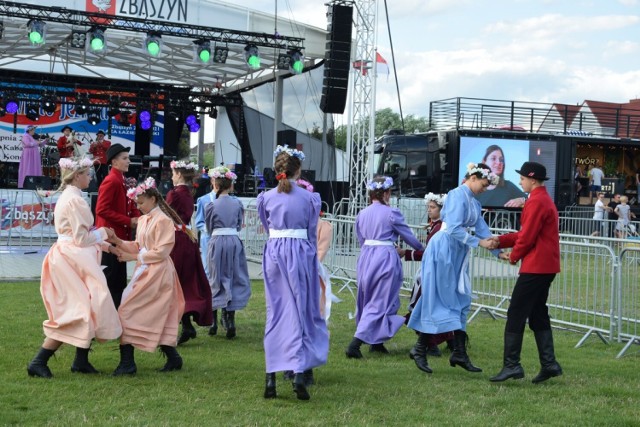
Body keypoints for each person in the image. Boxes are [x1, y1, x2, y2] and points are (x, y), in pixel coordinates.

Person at [27, 157, 122, 378]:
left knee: (89, 306)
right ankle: (39, 360)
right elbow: (81, 237)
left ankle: (81, 360)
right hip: (71, 259)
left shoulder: (72, 197)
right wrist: (105, 233)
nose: (90, 178)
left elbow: (79, 235)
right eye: (87, 174)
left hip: (72, 256)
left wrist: (108, 246)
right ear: (77, 176)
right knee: (77, 311)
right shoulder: (74, 200)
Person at [408, 162, 501, 374]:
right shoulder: (456, 195)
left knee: (461, 299)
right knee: (438, 298)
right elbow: (455, 229)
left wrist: (498, 251)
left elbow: (482, 229)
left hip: (458, 253)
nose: (484, 189)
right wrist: (479, 243)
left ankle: (459, 351)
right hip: (443, 250)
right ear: (473, 177)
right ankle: (421, 348)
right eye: (484, 185)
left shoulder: (474, 203)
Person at [257, 145, 328, 401]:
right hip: (300, 253)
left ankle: (271, 378)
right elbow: (311, 232)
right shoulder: (310, 198)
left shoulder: (265, 197)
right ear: (299, 170)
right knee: (301, 312)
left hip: (274, 254)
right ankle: (298, 373)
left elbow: (267, 227)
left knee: (275, 312)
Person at [489, 161, 563, 384]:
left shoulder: (536, 201)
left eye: (522, 178)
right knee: (538, 313)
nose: (520, 181)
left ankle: (512, 365)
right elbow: (525, 233)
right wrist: (501, 240)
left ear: (532, 180)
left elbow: (527, 237)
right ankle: (549, 364)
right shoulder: (540, 199)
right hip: (545, 266)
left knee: (516, 313)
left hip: (536, 267)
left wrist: (512, 256)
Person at [108, 178, 186, 375]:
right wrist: (117, 240)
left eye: (141, 203)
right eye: (136, 203)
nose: (138, 207)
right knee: (145, 311)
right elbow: (139, 245)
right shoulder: (143, 220)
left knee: (129, 310)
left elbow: (161, 252)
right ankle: (171, 357)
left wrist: (132, 257)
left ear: (153, 199)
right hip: (145, 270)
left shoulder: (164, 221)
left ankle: (128, 363)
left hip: (158, 273)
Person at [345, 176, 424, 359]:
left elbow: (360, 238)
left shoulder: (362, 213)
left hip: (366, 256)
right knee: (382, 300)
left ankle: (376, 342)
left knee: (369, 298)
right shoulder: (391, 213)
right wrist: (422, 249)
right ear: (386, 193)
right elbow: (408, 236)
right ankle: (355, 344)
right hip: (384, 257)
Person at [400, 192, 454, 358]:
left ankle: (431, 344)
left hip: (434, 273)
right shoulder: (436, 226)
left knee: (423, 306)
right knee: (428, 306)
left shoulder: (441, 228)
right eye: (428, 207)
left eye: (433, 207)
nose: (429, 210)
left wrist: (406, 253)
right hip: (430, 271)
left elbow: (430, 254)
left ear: (442, 209)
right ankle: (451, 342)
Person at [166, 160, 213, 345]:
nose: (171, 176)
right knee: (185, 281)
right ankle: (186, 324)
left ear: (178, 174)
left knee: (175, 281)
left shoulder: (175, 194)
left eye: (172, 173)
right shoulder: (188, 194)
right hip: (187, 238)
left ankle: (182, 324)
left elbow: (165, 215)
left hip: (176, 240)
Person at [205, 166, 251, 339]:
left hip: (217, 241)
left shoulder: (211, 205)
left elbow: (209, 227)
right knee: (234, 276)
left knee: (216, 276)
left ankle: (214, 319)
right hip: (233, 241)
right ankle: (230, 318)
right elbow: (239, 224)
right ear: (230, 185)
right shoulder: (237, 203)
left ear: (216, 185)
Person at [95, 143, 140, 308]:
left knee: (118, 282)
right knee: (110, 281)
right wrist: (129, 221)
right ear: (114, 162)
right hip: (110, 239)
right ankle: (105, 320)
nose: (128, 161)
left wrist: (136, 218)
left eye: (128, 158)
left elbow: (130, 206)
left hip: (118, 237)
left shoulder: (120, 180)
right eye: (125, 158)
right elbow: (101, 209)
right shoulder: (111, 181)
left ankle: (114, 320)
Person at [195, 168, 216, 280]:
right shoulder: (203, 200)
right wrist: (208, 229)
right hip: (207, 238)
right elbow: (199, 222)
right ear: (212, 181)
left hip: (222, 238)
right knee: (207, 267)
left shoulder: (232, 200)